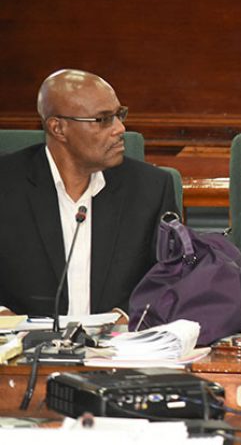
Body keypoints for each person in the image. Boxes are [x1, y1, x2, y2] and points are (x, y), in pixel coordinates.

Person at [0, 69, 177, 317]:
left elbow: (173, 274)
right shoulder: (7, 185)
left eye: (119, 115)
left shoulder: (150, 188)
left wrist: (125, 317)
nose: (119, 128)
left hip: (119, 348)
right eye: (103, 119)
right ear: (58, 128)